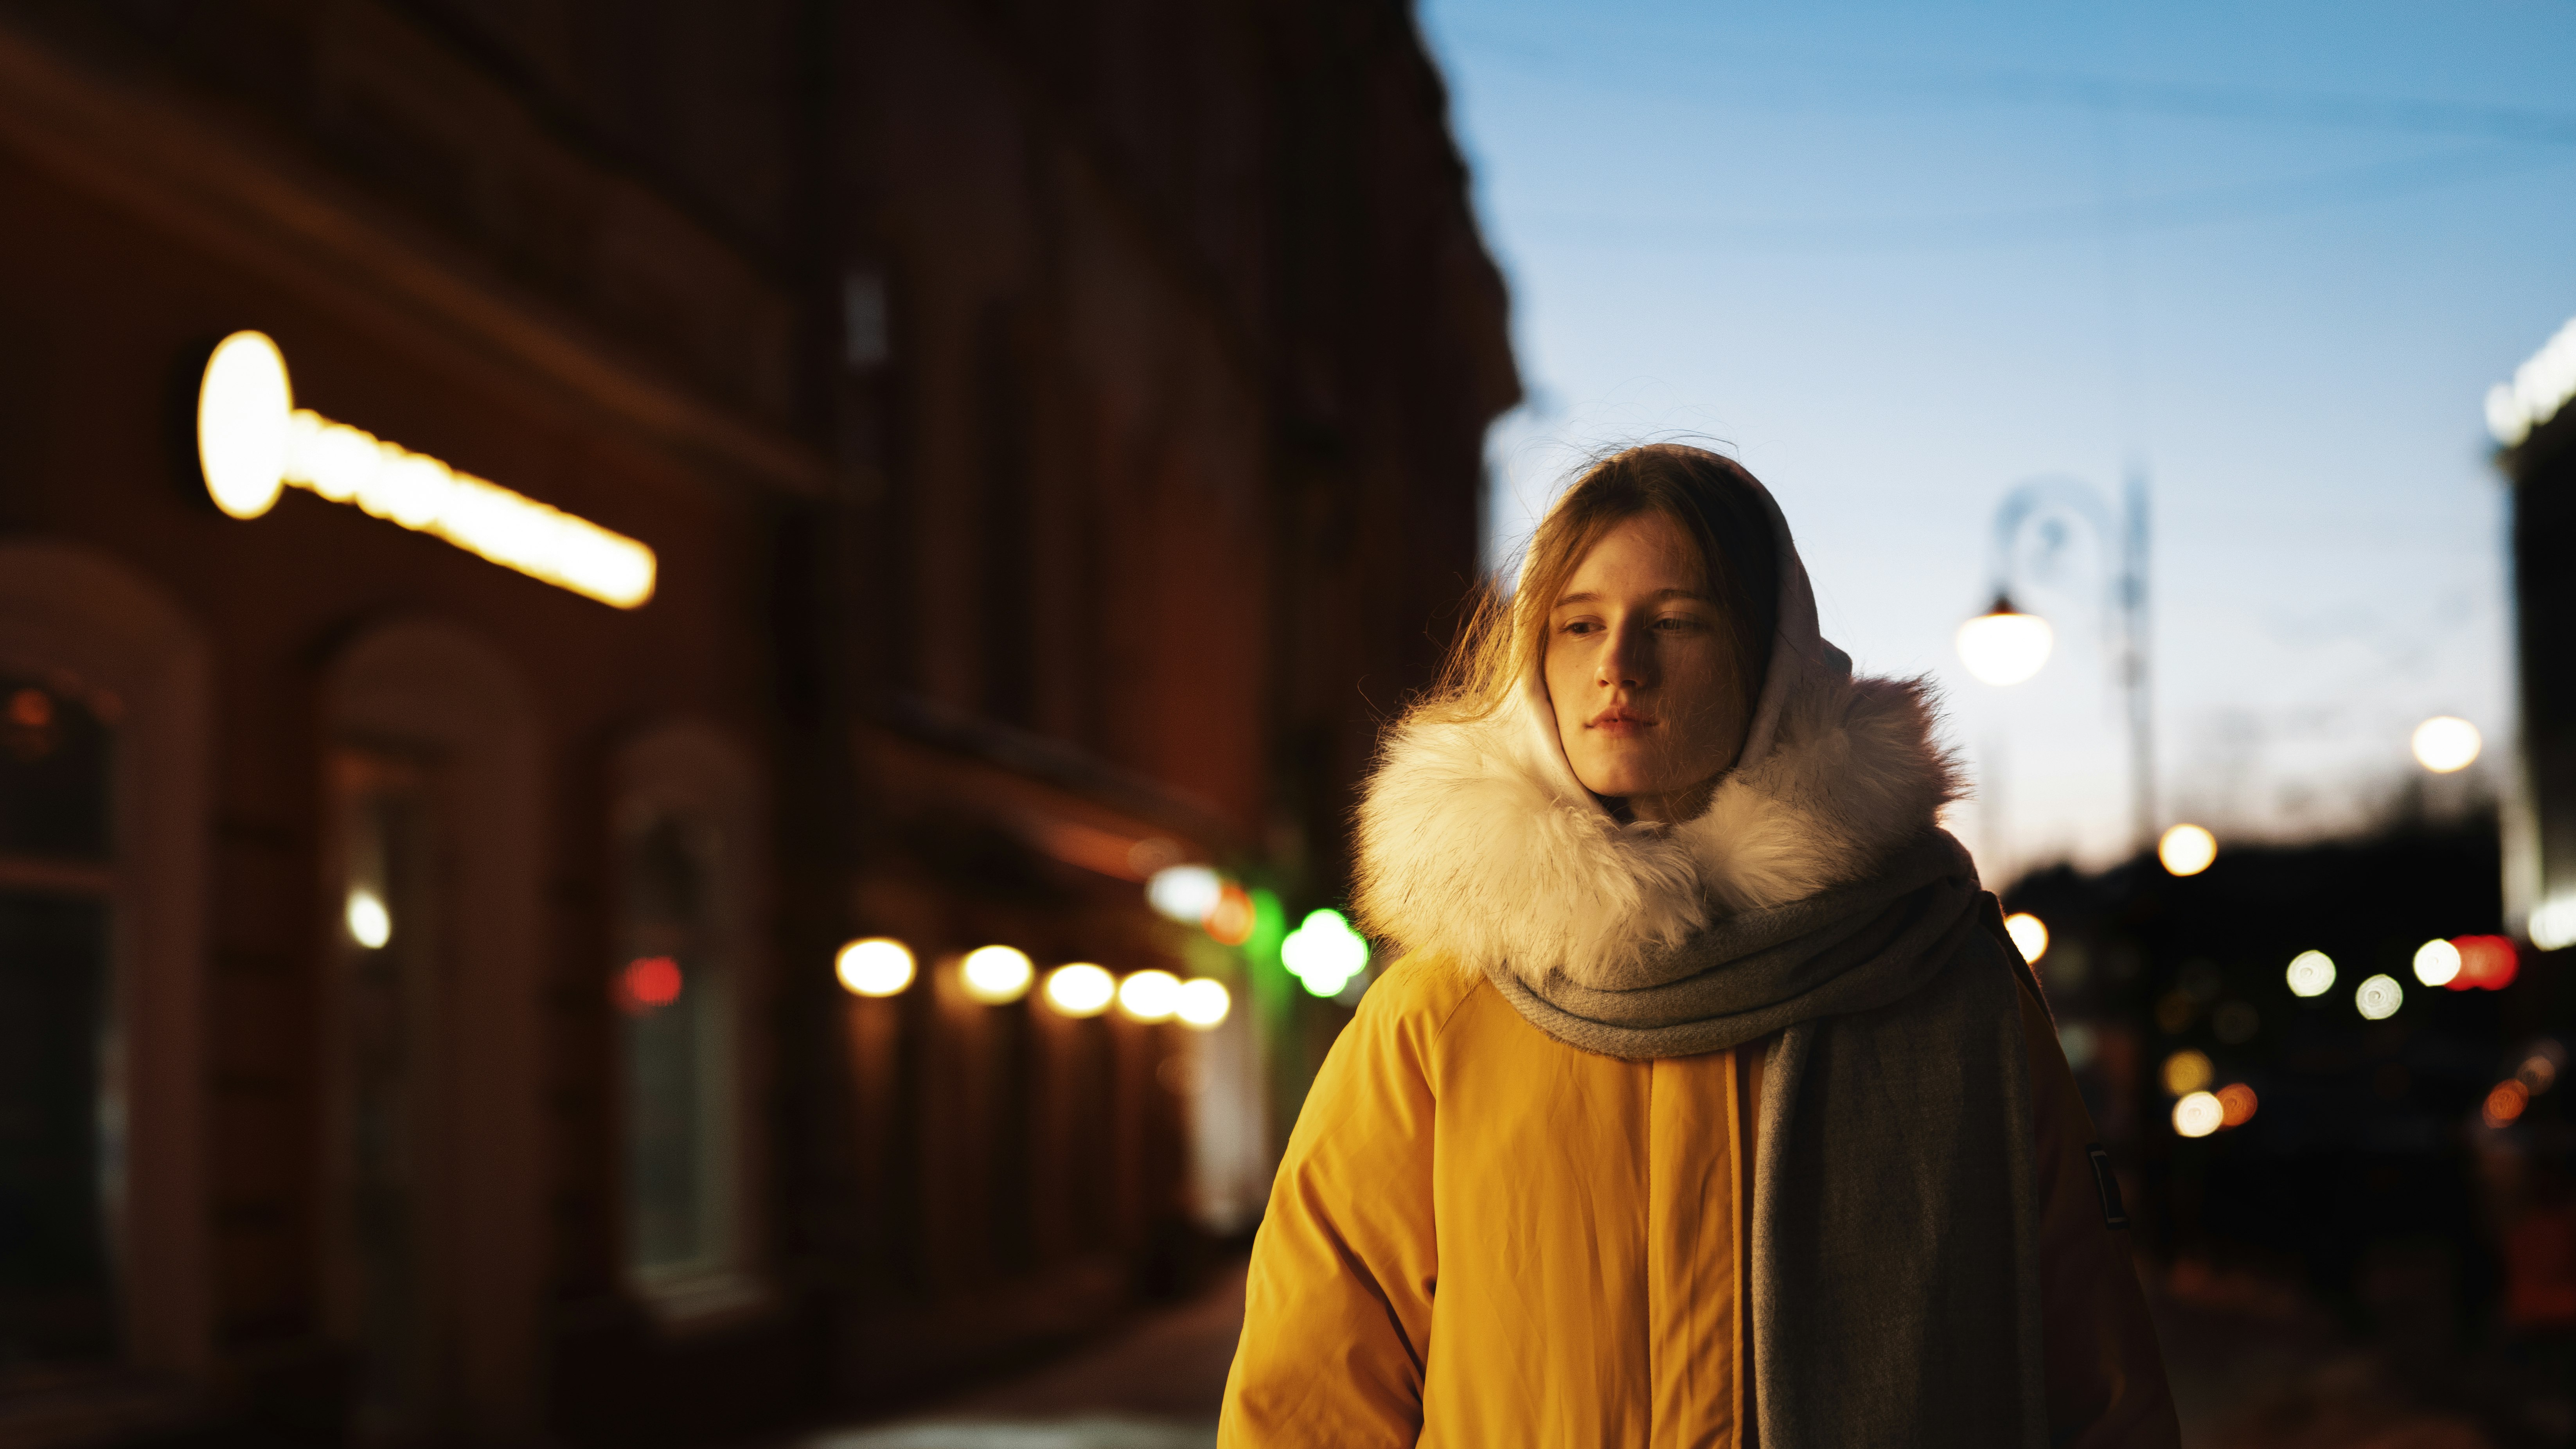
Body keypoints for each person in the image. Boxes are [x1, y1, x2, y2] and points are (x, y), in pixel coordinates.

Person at [1218, 444, 2178, 1447]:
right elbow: (1309, 1400)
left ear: (1770, 659)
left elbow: (2091, 1375)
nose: (1616, 666)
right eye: (1576, 624)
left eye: (1674, 622)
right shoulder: (1437, 1019)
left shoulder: (1947, 987)